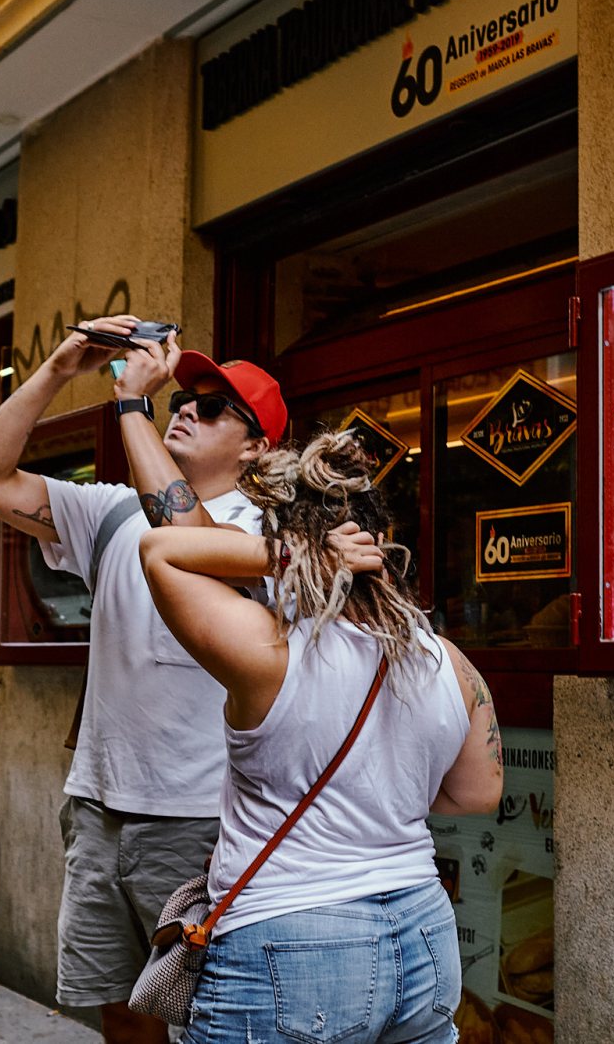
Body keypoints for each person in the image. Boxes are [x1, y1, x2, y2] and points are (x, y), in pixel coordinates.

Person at [0, 316, 288, 1043]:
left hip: (202, 814)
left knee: (203, 1015)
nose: (186, 411)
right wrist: (56, 369)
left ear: (258, 445)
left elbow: (191, 542)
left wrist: (134, 407)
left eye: (211, 407)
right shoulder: (108, 511)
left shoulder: (267, 532)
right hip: (100, 804)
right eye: (180, 402)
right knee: (119, 1007)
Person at [137, 430, 504, 1042]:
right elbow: (477, 794)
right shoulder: (449, 661)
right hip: (423, 929)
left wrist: (289, 556)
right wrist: (383, 792)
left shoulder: (269, 652)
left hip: (289, 937)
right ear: (380, 540)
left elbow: (160, 549)